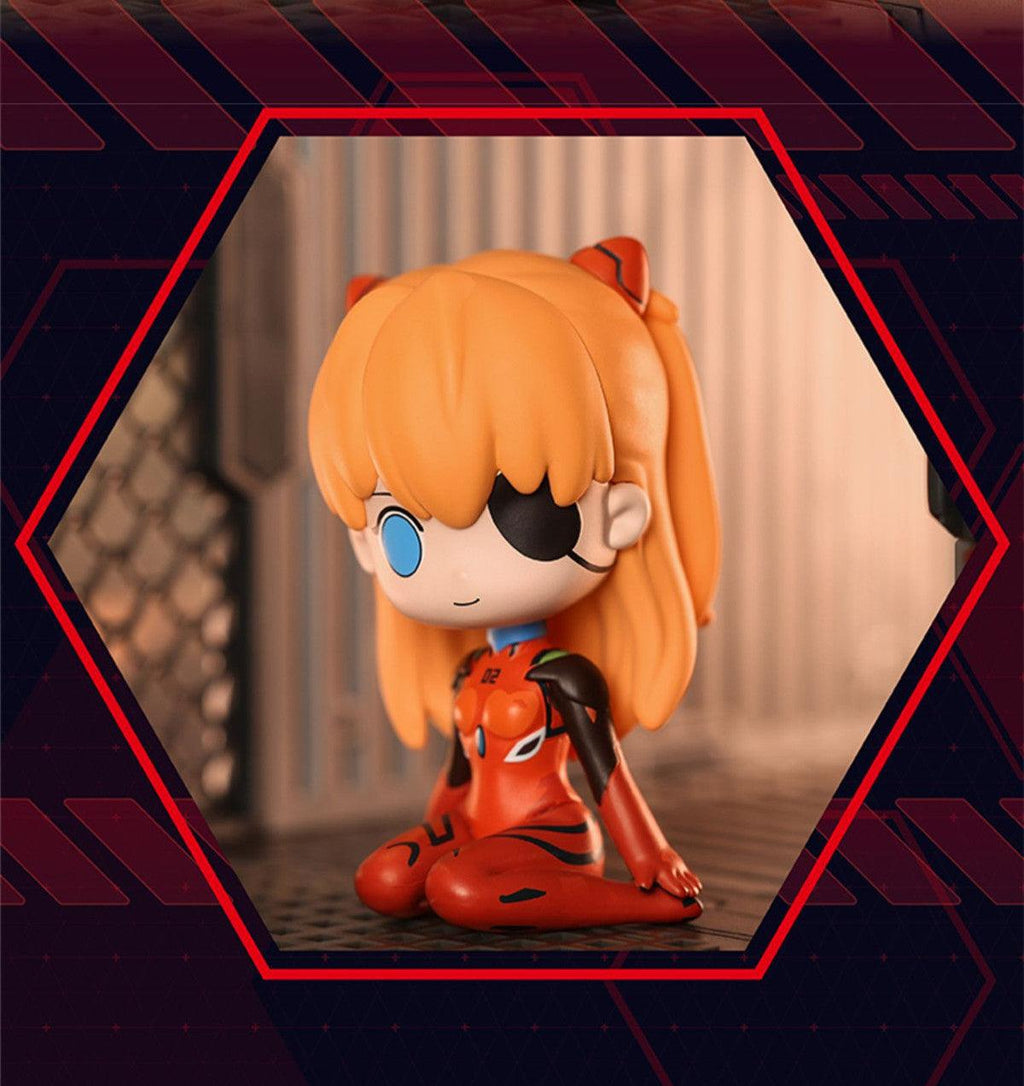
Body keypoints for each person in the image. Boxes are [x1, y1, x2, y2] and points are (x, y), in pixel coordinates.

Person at [308, 237, 720, 931]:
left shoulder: (565, 677)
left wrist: (653, 860)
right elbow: (458, 780)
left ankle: (637, 904)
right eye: (402, 529)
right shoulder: (469, 670)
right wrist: (433, 840)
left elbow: (609, 779)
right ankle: (456, 876)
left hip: (551, 834)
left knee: (462, 890)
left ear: (621, 514)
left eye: (522, 510)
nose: (459, 567)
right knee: (384, 879)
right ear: (366, 544)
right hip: (477, 828)